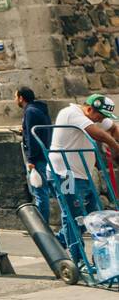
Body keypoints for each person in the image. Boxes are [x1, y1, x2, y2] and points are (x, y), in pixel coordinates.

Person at [50, 93, 119, 262]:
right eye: (99, 116)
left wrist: (115, 136)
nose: (100, 120)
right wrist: (114, 145)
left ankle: (58, 242)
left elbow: (113, 128)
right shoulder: (71, 113)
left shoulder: (93, 115)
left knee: (93, 215)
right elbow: (98, 134)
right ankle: (78, 259)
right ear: (89, 109)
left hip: (83, 175)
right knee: (73, 215)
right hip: (65, 174)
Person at [17, 86, 53, 225]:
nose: (16, 100)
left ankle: (42, 225)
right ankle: (42, 222)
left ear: (21, 97)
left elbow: (33, 137)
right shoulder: (38, 109)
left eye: (16, 97)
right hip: (43, 153)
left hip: (36, 157)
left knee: (39, 191)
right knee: (41, 190)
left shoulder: (30, 112)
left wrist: (31, 159)